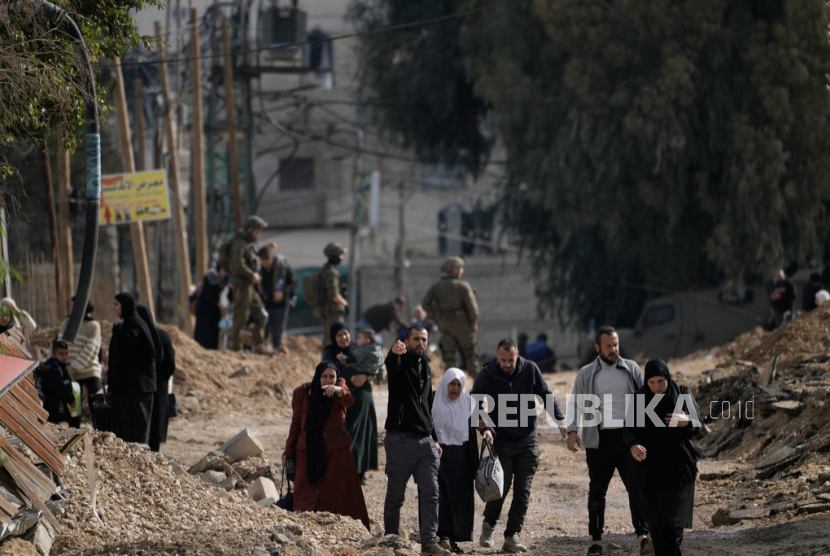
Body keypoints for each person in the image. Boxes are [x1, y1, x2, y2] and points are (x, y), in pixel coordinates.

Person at [472, 338, 566, 553]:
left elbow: (546, 395)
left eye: (511, 360)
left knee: (523, 491)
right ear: (497, 357)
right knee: (500, 488)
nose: (507, 364)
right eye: (503, 360)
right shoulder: (487, 374)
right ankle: (489, 524)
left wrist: (560, 422)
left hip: (527, 440)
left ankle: (512, 535)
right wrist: (485, 428)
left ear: (518, 356)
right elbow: (475, 404)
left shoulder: (530, 369)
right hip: (501, 440)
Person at [567, 326, 650, 556]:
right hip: (599, 440)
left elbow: (644, 401)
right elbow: (574, 403)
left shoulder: (631, 368)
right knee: (597, 492)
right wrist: (573, 430)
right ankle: (596, 541)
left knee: (637, 488)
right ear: (597, 348)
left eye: (616, 344)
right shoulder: (586, 374)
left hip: (628, 439)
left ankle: (643, 537)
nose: (614, 350)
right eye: (608, 346)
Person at [625, 359, 703, 556]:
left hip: (679, 472)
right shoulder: (638, 399)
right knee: (658, 534)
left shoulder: (682, 393)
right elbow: (628, 430)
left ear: (667, 377)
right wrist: (634, 445)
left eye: (661, 381)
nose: (657, 387)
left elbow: (699, 424)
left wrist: (686, 421)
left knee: (672, 531)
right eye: (651, 383)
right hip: (649, 473)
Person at [384, 326, 449, 555]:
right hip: (400, 440)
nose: (420, 342)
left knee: (431, 492)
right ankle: (391, 540)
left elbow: (427, 407)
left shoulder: (426, 366)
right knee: (396, 495)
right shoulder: (400, 361)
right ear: (406, 341)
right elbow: (390, 365)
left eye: (423, 339)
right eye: (415, 339)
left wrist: (434, 439)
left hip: (426, 443)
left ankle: (429, 541)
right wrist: (393, 352)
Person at [283, 361, 370, 530]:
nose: (328, 380)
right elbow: (295, 424)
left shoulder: (339, 390)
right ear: (318, 377)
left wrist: (338, 391)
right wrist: (289, 450)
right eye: (324, 376)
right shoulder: (304, 393)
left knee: (337, 494)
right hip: (307, 449)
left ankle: (340, 529)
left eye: (332, 376)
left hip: (335, 451)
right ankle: (303, 527)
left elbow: (349, 400)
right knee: (305, 493)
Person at [323, 323, 379, 485]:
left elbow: (374, 365)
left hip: (363, 398)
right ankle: (343, 473)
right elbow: (329, 372)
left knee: (364, 434)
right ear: (334, 337)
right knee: (346, 435)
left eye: (345, 333)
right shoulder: (330, 352)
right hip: (343, 399)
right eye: (339, 335)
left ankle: (361, 472)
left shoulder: (358, 348)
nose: (344, 337)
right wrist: (349, 378)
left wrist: (366, 378)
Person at [433, 368, 478, 554]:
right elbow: (427, 427)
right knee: (441, 495)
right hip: (439, 454)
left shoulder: (468, 403)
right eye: (452, 384)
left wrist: (489, 432)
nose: (456, 388)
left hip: (462, 456)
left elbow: (480, 428)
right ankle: (442, 535)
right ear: (445, 384)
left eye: (459, 385)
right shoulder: (434, 402)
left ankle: (454, 538)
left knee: (459, 497)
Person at [108, 292, 157, 444]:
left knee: (137, 429)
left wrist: (117, 329)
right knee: (127, 428)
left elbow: (125, 345)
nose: (113, 308)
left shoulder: (134, 325)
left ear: (125, 306)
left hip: (138, 388)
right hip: (130, 388)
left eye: (116, 304)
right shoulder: (130, 323)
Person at [422, 257, 480, 374]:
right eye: (460, 268)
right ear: (454, 270)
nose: (462, 271)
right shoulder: (463, 286)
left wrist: (437, 317)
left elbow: (425, 304)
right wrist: (474, 322)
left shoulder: (437, 286)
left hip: (446, 324)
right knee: (470, 354)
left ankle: (451, 381)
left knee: (450, 356)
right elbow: (472, 307)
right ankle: (476, 382)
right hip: (463, 324)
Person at [229, 215, 275, 353]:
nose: (258, 233)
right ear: (250, 229)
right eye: (257, 230)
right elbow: (238, 265)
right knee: (241, 317)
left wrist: (265, 249)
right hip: (241, 286)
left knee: (261, 314)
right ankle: (236, 348)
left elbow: (254, 259)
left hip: (250, 286)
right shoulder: (239, 245)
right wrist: (252, 274)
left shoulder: (250, 245)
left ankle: (259, 344)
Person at [135, 305, 176, 452]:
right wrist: (164, 377)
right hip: (161, 384)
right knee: (158, 418)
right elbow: (171, 363)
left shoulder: (138, 335)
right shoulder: (163, 335)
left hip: (142, 385)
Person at [57, 299, 102, 423]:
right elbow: (60, 343)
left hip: (90, 370)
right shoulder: (67, 322)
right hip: (71, 372)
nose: (71, 309)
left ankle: (101, 432)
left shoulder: (94, 325)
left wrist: (74, 366)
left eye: (73, 306)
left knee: (96, 404)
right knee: (74, 406)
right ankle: (74, 433)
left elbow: (92, 348)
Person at [258, 245, 298, 353]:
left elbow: (293, 281)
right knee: (263, 329)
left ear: (271, 258)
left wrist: (283, 292)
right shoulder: (260, 269)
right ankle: (263, 350)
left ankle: (278, 349)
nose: (264, 264)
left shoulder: (283, 265)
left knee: (277, 331)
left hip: (280, 304)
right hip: (265, 304)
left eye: (266, 261)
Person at [312, 243, 348, 349]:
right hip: (332, 312)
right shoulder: (331, 272)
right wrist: (345, 303)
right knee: (337, 337)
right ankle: (331, 363)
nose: (342, 258)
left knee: (330, 338)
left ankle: (328, 362)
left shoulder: (327, 269)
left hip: (328, 311)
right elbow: (334, 295)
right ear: (335, 256)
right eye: (341, 255)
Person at [34, 340, 76, 425]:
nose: (64, 357)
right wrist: (71, 399)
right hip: (54, 412)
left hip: (59, 410)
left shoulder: (60, 368)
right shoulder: (53, 369)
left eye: (66, 354)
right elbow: (59, 388)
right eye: (61, 354)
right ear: (53, 354)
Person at [193, 266, 229, 349]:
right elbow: (206, 294)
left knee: (213, 337)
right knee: (203, 336)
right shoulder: (209, 276)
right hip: (204, 309)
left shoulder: (226, 278)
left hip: (215, 312)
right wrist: (218, 304)